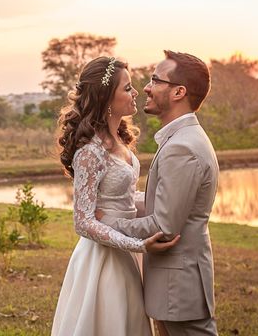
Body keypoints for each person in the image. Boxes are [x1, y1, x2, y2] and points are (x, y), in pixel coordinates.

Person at [51, 56, 179, 336]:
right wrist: (137, 244)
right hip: (103, 261)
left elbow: (124, 197)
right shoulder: (90, 152)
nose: (136, 92)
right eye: (127, 88)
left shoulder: (120, 141)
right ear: (106, 98)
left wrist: (172, 201)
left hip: (128, 253)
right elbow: (82, 222)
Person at [98, 50, 219, 336]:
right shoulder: (181, 139)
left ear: (178, 92)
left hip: (179, 288)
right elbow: (166, 204)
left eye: (155, 80)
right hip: (173, 285)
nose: (147, 88)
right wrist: (121, 204)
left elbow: (163, 226)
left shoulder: (182, 147)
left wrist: (109, 222)